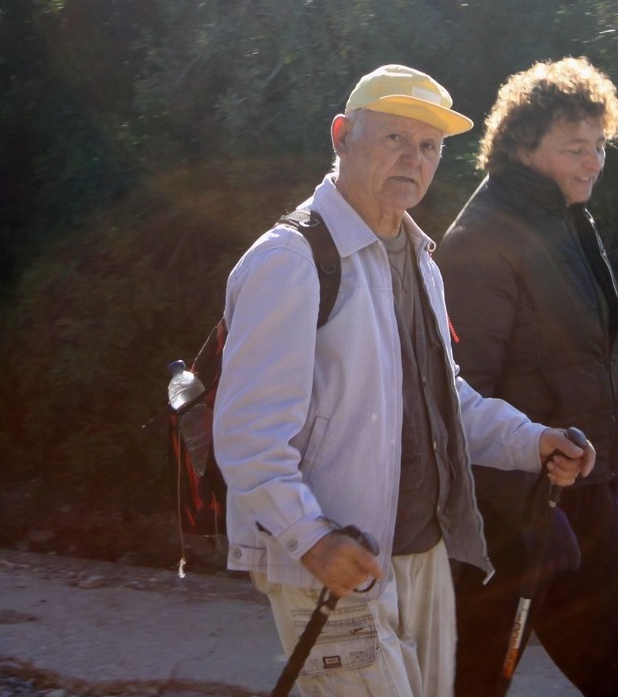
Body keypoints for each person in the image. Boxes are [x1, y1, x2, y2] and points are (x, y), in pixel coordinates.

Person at [214, 63, 596, 697]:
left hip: (422, 556)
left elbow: (444, 401)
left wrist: (532, 441)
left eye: (429, 146)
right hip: (333, 561)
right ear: (342, 136)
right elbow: (248, 434)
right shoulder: (290, 261)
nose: (413, 159)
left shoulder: (419, 260)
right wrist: (312, 540)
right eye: (394, 138)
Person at [436, 57, 618, 697]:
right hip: (513, 515)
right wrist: (531, 509)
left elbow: (581, 367)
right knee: (473, 682)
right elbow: (458, 399)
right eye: (574, 147)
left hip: (577, 497)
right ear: (521, 145)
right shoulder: (484, 239)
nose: (593, 162)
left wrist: (607, 477)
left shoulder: (565, 222)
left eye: (599, 145)